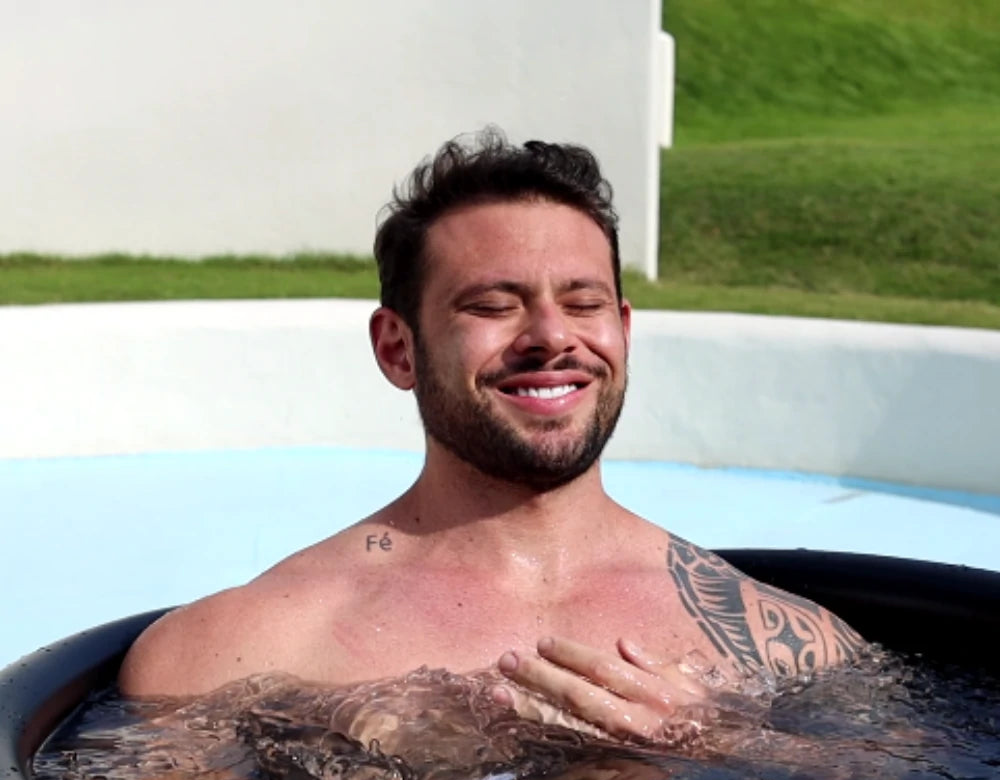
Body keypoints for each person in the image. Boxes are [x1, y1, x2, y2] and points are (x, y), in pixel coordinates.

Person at [119, 129, 865, 742]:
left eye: (583, 302)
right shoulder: (229, 655)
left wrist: (729, 745)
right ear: (398, 349)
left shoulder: (791, 644)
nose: (551, 337)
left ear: (623, 331)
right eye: (492, 305)